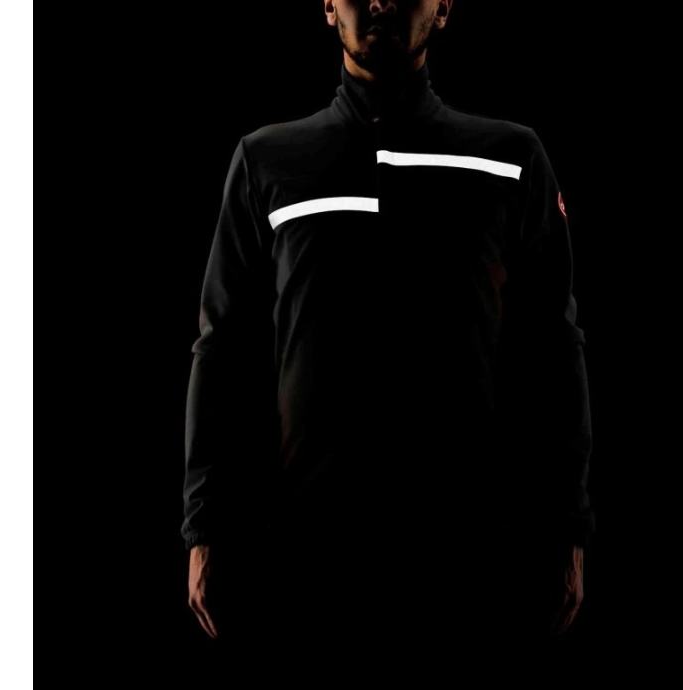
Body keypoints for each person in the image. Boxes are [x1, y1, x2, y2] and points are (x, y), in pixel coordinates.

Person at [182, 0, 594, 673]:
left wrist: (567, 528)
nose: (380, 1)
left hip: (472, 559)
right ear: (326, 7)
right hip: (304, 555)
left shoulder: (510, 157)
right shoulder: (267, 159)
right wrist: (204, 529)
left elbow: (554, 351)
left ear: (444, 8)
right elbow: (222, 350)